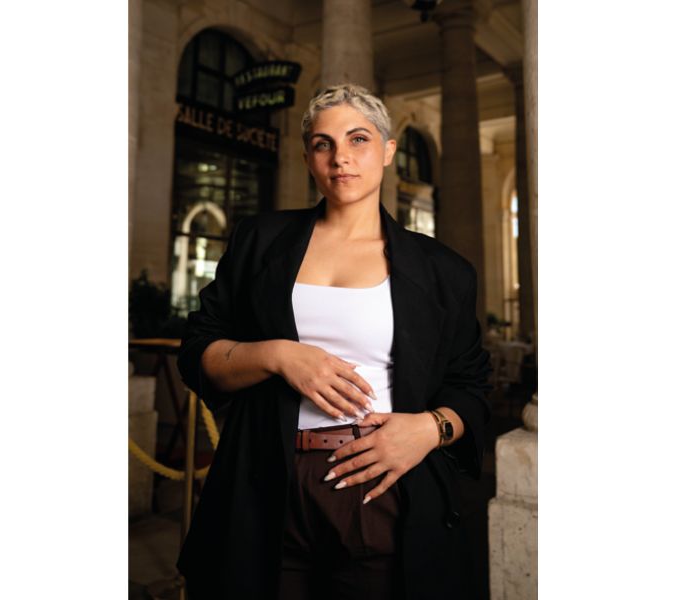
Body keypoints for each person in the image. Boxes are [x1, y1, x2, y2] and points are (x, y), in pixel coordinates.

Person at [176, 84, 492, 600]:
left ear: (388, 151)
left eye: (358, 139)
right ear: (308, 158)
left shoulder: (442, 270)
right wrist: (277, 355)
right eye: (323, 144)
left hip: (379, 480)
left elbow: (471, 387)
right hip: (263, 477)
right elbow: (197, 352)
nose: (340, 156)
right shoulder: (259, 240)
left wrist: (428, 430)